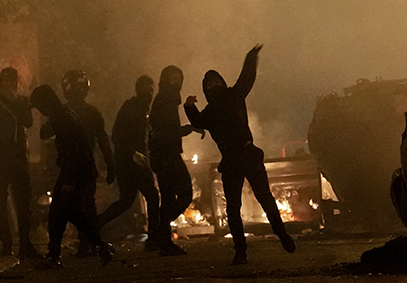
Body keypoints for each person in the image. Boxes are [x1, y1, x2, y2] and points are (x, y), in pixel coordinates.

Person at [184, 44, 295, 265]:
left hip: (239, 158)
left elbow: (246, 78)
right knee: (251, 202)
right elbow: (247, 78)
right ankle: (267, 241)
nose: (213, 86)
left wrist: (189, 106)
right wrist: (251, 57)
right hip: (240, 157)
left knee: (242, 205)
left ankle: (248, 248)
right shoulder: (231, 97)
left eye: (214, 82)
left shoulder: (223, 102)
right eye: (210, 84)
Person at [29, 85, 114, 268]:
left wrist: (70, 180)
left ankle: (56, 255)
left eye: (40, 106)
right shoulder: (65, 114)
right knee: (72, 213)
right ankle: (100, 246)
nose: (41, 111)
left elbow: (72, 150)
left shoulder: (62, 118)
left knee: (59, 213)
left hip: (75, 171)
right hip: (79, 171)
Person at [0, 68, 42, 260]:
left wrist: (15, 103)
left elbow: (28, 122)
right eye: (6, 81)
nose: (10, 84)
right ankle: (6, 244)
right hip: (0, 158)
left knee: (23, 202)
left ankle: (25, 244)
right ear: (1, 83)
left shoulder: (21, 102)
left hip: (18, 158)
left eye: (12, 81)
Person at [97, 75, 160, 251]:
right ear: (139, 89)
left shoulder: (140, 108)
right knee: (151, 197)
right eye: (147, 89)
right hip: (130, 162)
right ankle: (154, 238)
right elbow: (117, 135)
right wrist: (134, 153)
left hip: (129, 161)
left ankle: (94, 225)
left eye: (151, 89)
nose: (149, 92)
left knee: (126, 201)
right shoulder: (132, 108)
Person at [149, 65, 203, 256]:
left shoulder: (165, 101)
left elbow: (168, 131)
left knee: (169, 199)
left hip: (164, 155)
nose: (176, 83)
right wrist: (190, 128)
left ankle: (162, 239)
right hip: (167, 156)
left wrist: (188, 128)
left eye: (178, 79)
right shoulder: (165, 100)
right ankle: (159, 233)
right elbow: (167, 133)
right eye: (172, 79)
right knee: (184, 195)